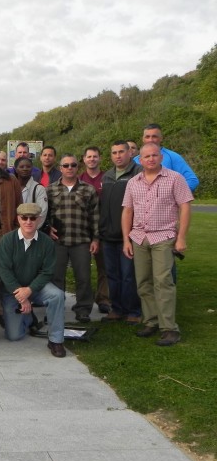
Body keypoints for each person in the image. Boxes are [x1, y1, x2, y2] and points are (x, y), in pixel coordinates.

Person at [122, 142, 193, 346]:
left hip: (164, 236)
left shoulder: (175, 179)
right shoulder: (133, 182)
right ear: (140, 160)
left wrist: (181, 238)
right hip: (139, 238)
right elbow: (127, 211)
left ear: (161, 157)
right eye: (146, 157)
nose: (151, 159)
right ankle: (151, 321)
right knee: (143, 282)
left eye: (154, 155)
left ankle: (169, 328)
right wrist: (126, 239)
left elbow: (185, 207)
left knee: (163, 281)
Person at [0, 203, 66, 358]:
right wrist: (22, 298)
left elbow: (47, 272)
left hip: (36, 288)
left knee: (57, 295)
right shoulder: (7, 241)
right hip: (12, 291)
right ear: (18, 219)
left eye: (33, 218)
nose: (28, 221)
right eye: (24, 218)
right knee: (14, 336)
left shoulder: (47, 242)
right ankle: (29, 318)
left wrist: (29, 291)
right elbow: (5, 272)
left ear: (39, 220)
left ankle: (55, 340)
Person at [46, 154, 99, 323]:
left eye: (73, 165)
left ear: (78, 167)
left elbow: (95, 216)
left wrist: (95, 239)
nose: (69, 168)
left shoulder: (88, 189)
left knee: (83, 277)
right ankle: (56, 308)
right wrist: (47, 229)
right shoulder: (50, 189)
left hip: (81, 240)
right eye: (66, 165)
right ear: (60, 168)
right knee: (56, 277)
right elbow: (44, 215)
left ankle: (83, 309)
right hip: (58, 242)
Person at [99, 141, 142, 324]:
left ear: (130, 153)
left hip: (128, 235)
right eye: (114, 152)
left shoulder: (138, 173)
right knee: (112, 275)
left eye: (121, 152)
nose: (118, 155)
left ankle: (133, 311)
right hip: (108, 235)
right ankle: (116, 309)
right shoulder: (108, 175)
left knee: (128, 276)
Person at [79, 146, 111, 314]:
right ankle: (84, 300)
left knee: (103, 266)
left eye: (95, 156)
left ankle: (103, 298)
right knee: (83, 268)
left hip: (104, 228)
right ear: (84, 159)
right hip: (83, 230)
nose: (92, 159)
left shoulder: (107, 178)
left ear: (99, 158)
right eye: (89, 156)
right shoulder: (78, 179)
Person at [135, 123, 199, 191]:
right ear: (143, 139)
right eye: (147, 137)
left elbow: (192, 180)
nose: (151, 140)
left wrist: (173, 194)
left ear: (161, 138)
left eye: (154, 136)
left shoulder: (173, 157)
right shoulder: (135, 160)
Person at [13, 157, 47, 227]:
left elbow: (42, 213)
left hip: (32, 231)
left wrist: (30, 230)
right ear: (16, 169)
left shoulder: (39, 189)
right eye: (21, 167)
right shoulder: (10, 187)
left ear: (32, 169)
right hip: (13, 230)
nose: (25, 169)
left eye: (28, 167)